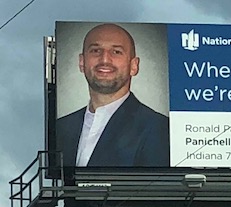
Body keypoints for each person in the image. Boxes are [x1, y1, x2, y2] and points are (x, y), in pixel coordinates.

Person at [56, 23, 169, 167]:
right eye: (96, 50)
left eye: (116, 52)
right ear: (82, 62)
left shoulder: (158, 128)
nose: (104, 60)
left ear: (134, 66)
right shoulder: (61, 128)